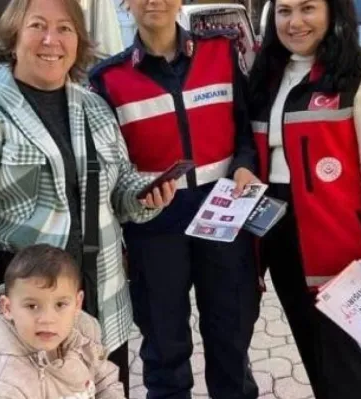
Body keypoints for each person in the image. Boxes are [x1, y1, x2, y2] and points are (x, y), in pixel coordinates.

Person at [0, 0, 177, 394]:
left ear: (78, 41)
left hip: (99, 302)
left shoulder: (94, 108)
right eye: (38, 26)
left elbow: (119, 188)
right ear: (13, 35)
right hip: (31, 315)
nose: (51, 40)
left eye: (65, 29)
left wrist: (143, 196)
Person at [88, 0, 261, 398]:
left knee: (231, 343)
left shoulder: (221, 51)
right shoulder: (107, 80)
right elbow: (113, 171)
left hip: (223, 221)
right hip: (154, 231)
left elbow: (245, 129)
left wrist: (245, 165)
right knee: (165, 351)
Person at [247, 0, 361, 398]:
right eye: (284, 11)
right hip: (280, 234)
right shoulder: (267, 76)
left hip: (340, 246)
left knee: (344, 365)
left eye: (307, 9)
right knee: (311, 349)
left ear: (333, 13)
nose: (295, 22)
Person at [0, 244, 125, 399]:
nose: (47, 319)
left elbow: (105, 382)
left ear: (78, 303)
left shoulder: (83, 340)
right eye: (32, 306)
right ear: (7, 307)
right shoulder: (0, 385)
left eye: (60, 305)